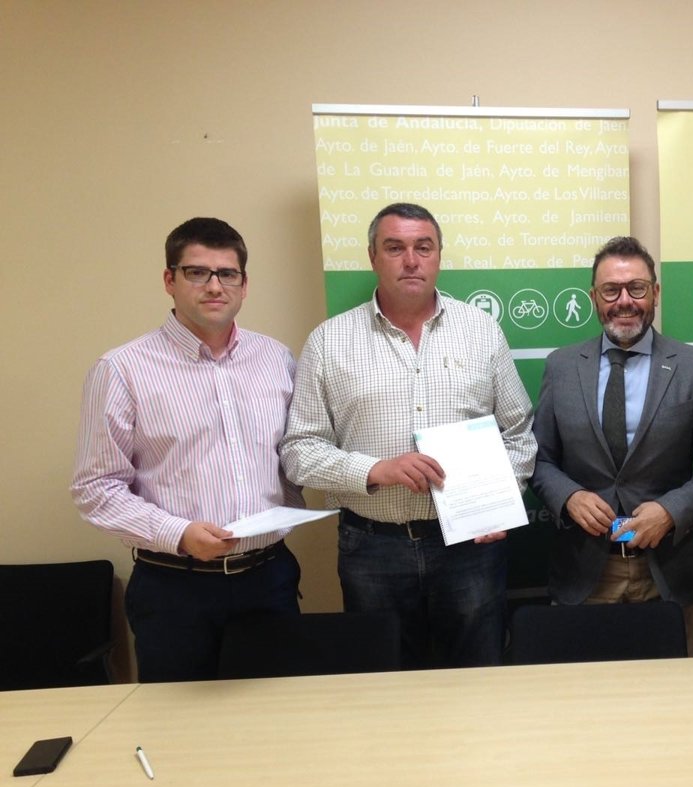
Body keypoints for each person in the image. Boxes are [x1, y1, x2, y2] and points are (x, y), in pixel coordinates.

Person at [281, 202, 535, 669]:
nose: (411, 260)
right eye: (395, 248)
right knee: (383, 679)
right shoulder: (329, 341)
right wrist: (375, 470)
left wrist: (500, 501)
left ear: (438, 255)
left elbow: (519, 431)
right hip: (372, 547)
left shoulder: (481, 331)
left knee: (477, 674)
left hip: (470, 547)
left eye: (424, 247)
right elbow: (299, 451)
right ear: (372, 257)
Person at [71, 217, 303, 682]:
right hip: (175, 589)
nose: (214, 286)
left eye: (227, 273)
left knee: (277, 714)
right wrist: (177, 533)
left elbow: (295, 453)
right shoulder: (122, 369)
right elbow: (95, 488)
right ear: (169, 280)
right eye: (197, 272)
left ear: (244, 284)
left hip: (268, 579)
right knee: (178, 720)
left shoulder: (276, 359)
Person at [530, 236, 693, 656]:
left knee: (672, 693)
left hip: (669, 573)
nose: (624, 301)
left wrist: (671, 511)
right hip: (585, 572)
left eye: (636, 288)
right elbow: (539, 459)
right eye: (611, 290)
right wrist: (568, 496)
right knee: (586, 690)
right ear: (594, 297)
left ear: (655, 293)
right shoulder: (561, 366)